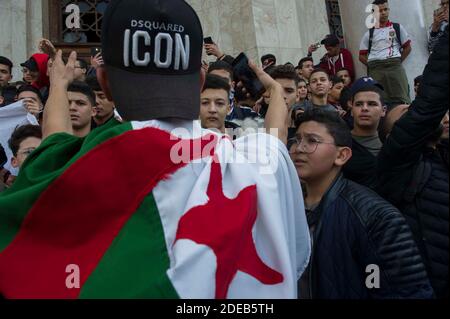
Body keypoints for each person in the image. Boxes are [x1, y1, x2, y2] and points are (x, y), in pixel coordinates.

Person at [0, 0, 310, 299]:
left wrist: (58, 84)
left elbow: (54, 137)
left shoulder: (65, 168)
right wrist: (274, 92)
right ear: (200, 81)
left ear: (104, 82)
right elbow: (275, 137)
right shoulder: (257, 162)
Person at [289, 108, 433, 299]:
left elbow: (407, 291)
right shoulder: (288, 205)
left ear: (342, 155)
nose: (299, 148)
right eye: (296, 140)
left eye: (312, 141)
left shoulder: (374, 216)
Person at [377, 28, 449, 298]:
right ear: (393, 137)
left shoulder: (440, 155)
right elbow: (429, 104)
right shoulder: (396, 163)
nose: (415, 112)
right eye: (406, 115)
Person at [359, 0, 412, 107]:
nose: (383, 13)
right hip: (376, 69)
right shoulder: (368, 34)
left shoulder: (397, 28)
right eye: (380, 11)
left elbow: (407, 48)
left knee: (402, 97)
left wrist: (397, 61)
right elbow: (361, 56)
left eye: (385, 9)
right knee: (378, 99)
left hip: (394, 66)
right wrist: (372, 65)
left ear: (389, 10)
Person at [343, 79, 387, 189]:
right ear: (351, 110)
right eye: (359, 104)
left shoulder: (390, 145)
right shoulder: (339, 142)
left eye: (372, 104)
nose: (364, 108)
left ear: (384, 110)